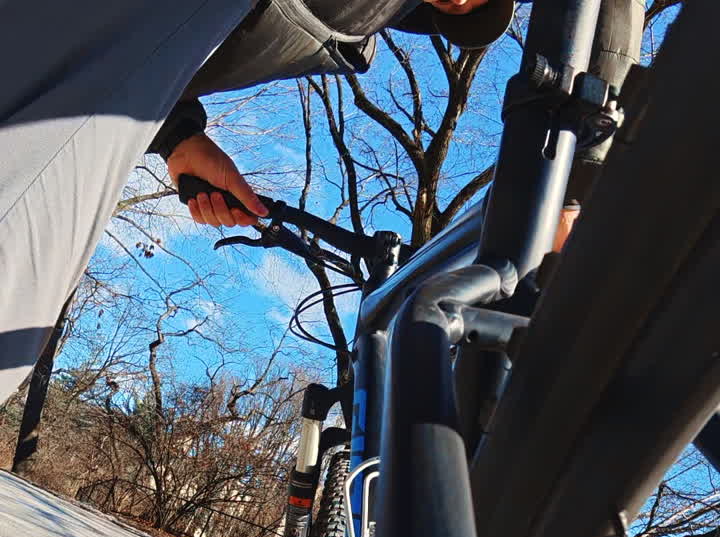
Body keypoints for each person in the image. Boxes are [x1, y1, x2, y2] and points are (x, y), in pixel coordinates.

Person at [0, 0, 513, 407]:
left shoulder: (358, 28)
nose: (464, 0)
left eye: (466, 10)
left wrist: (178, 137)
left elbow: (152, 53)